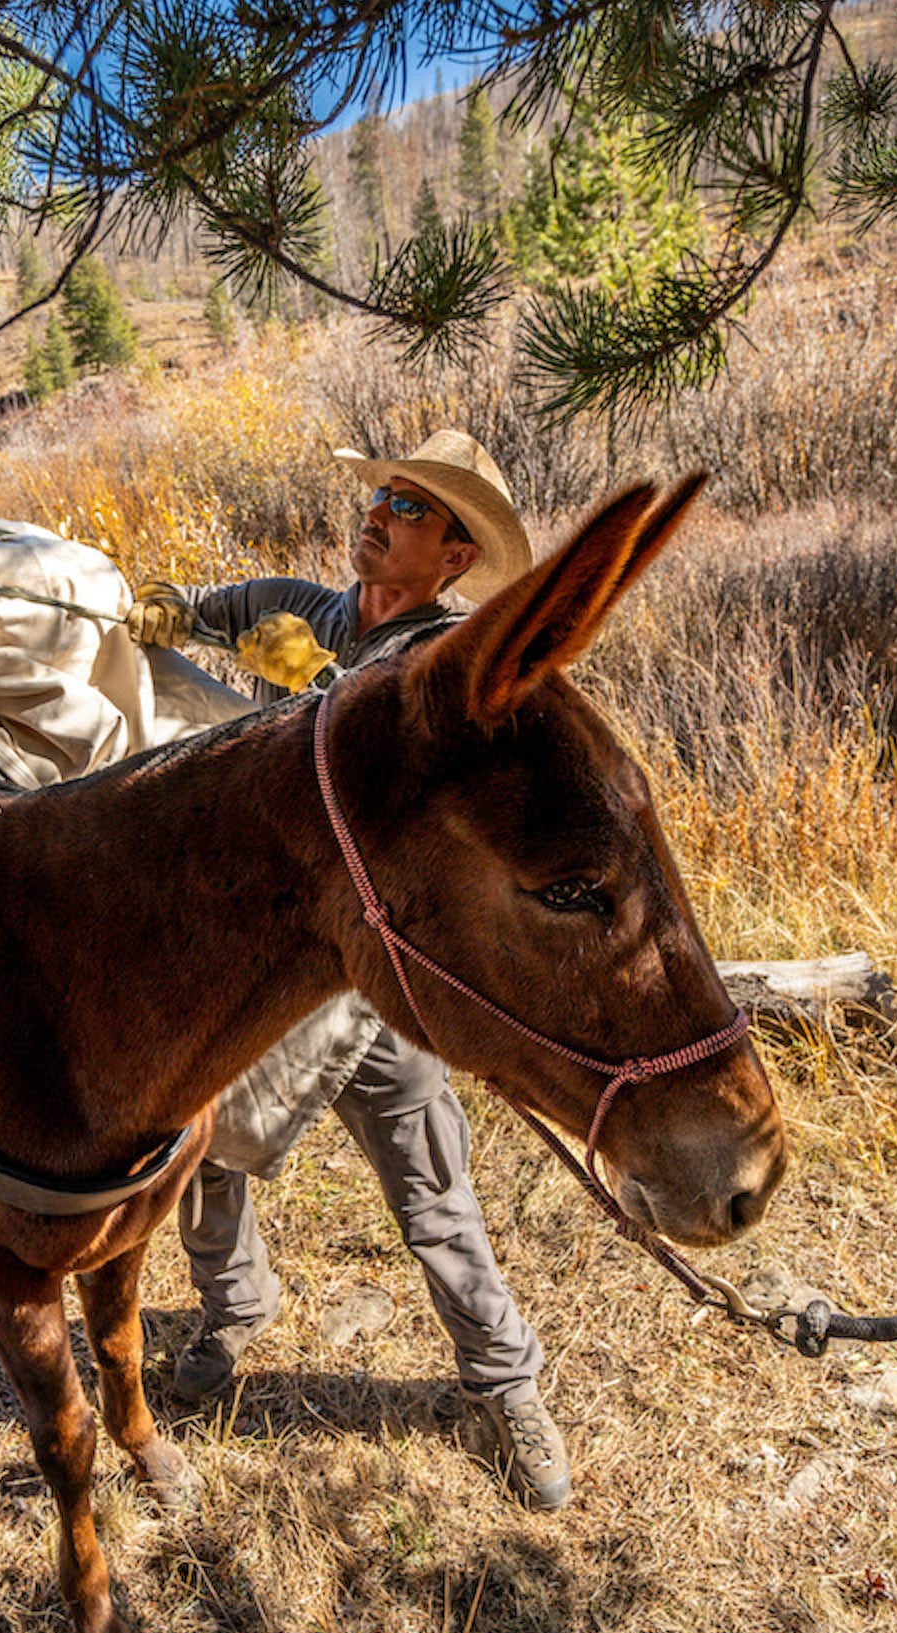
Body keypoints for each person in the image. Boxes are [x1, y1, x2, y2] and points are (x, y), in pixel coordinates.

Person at [123, 429, 573, 1511]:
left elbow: (408, 788)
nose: (376, 512)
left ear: (457, 555)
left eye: (409, 508)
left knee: (430, 1189)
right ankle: (234, 1311)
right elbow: (200, 609)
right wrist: (161, 609)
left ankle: (506, 1383)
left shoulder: (453, 660)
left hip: (377, 981)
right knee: (204, 1142)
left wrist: (322, 686)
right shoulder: (314, 606)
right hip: (270, 946)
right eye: (381, 492)